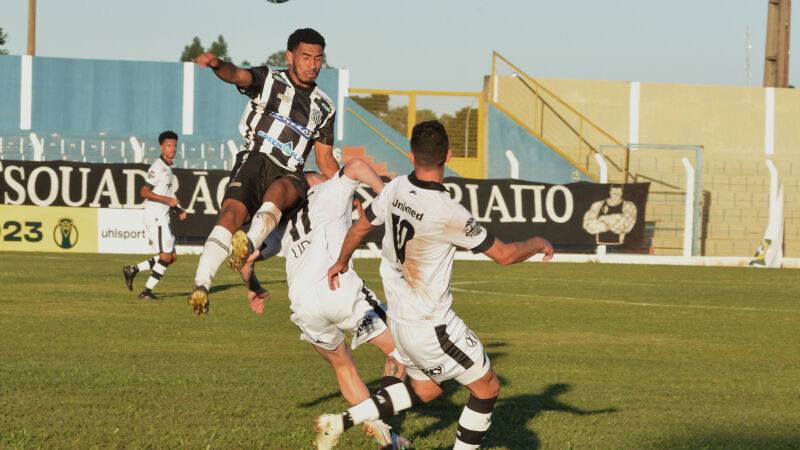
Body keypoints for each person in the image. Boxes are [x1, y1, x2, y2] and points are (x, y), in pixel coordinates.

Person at [316, 121, 554, 449]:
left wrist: (341, 261)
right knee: (487, 388)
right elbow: (505, 255)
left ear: (411, 155)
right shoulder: (448, 211)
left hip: (399, 322)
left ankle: (341, 421)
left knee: (428, 389)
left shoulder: (395, 188)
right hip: (433, 327)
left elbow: (358, 229)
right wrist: (538, 240)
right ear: (449, 156)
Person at [241, 159, 411, 449]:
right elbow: (356, 165)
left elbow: (246, 263)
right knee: (404, 348)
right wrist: (386, 196)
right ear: (313, 182)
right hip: (338, 289)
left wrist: (254, 288)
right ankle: (356, 417)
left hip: (304, 305)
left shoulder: (283, 222)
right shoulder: (329, 188)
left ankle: (385, 437)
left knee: (343, 367)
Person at [188, 28, 339, 315]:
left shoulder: (325, 105)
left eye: (318, 58)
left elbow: (325, 159)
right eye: (306, 57)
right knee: (230, 215)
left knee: (280, 191)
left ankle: (248, 244)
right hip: (255, 158)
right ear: (290, 56)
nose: (313, 65)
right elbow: (236, 75)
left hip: (290, 170)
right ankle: (202, 285)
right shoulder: (270, 79)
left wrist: (347, 188)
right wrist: (218, 65)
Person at [122, 130, 187, 300]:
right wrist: (167, 199)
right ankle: (146, 292)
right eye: (168, 145)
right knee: (166, 256)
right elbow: (144, 192)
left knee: (171, 257)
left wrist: (176, 209)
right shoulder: (157, 167)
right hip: (155, 217)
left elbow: (163, 195)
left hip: (163, 216)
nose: (172, 149)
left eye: (174, 145)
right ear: (161, 147)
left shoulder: (168, 168)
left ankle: (133, 270)